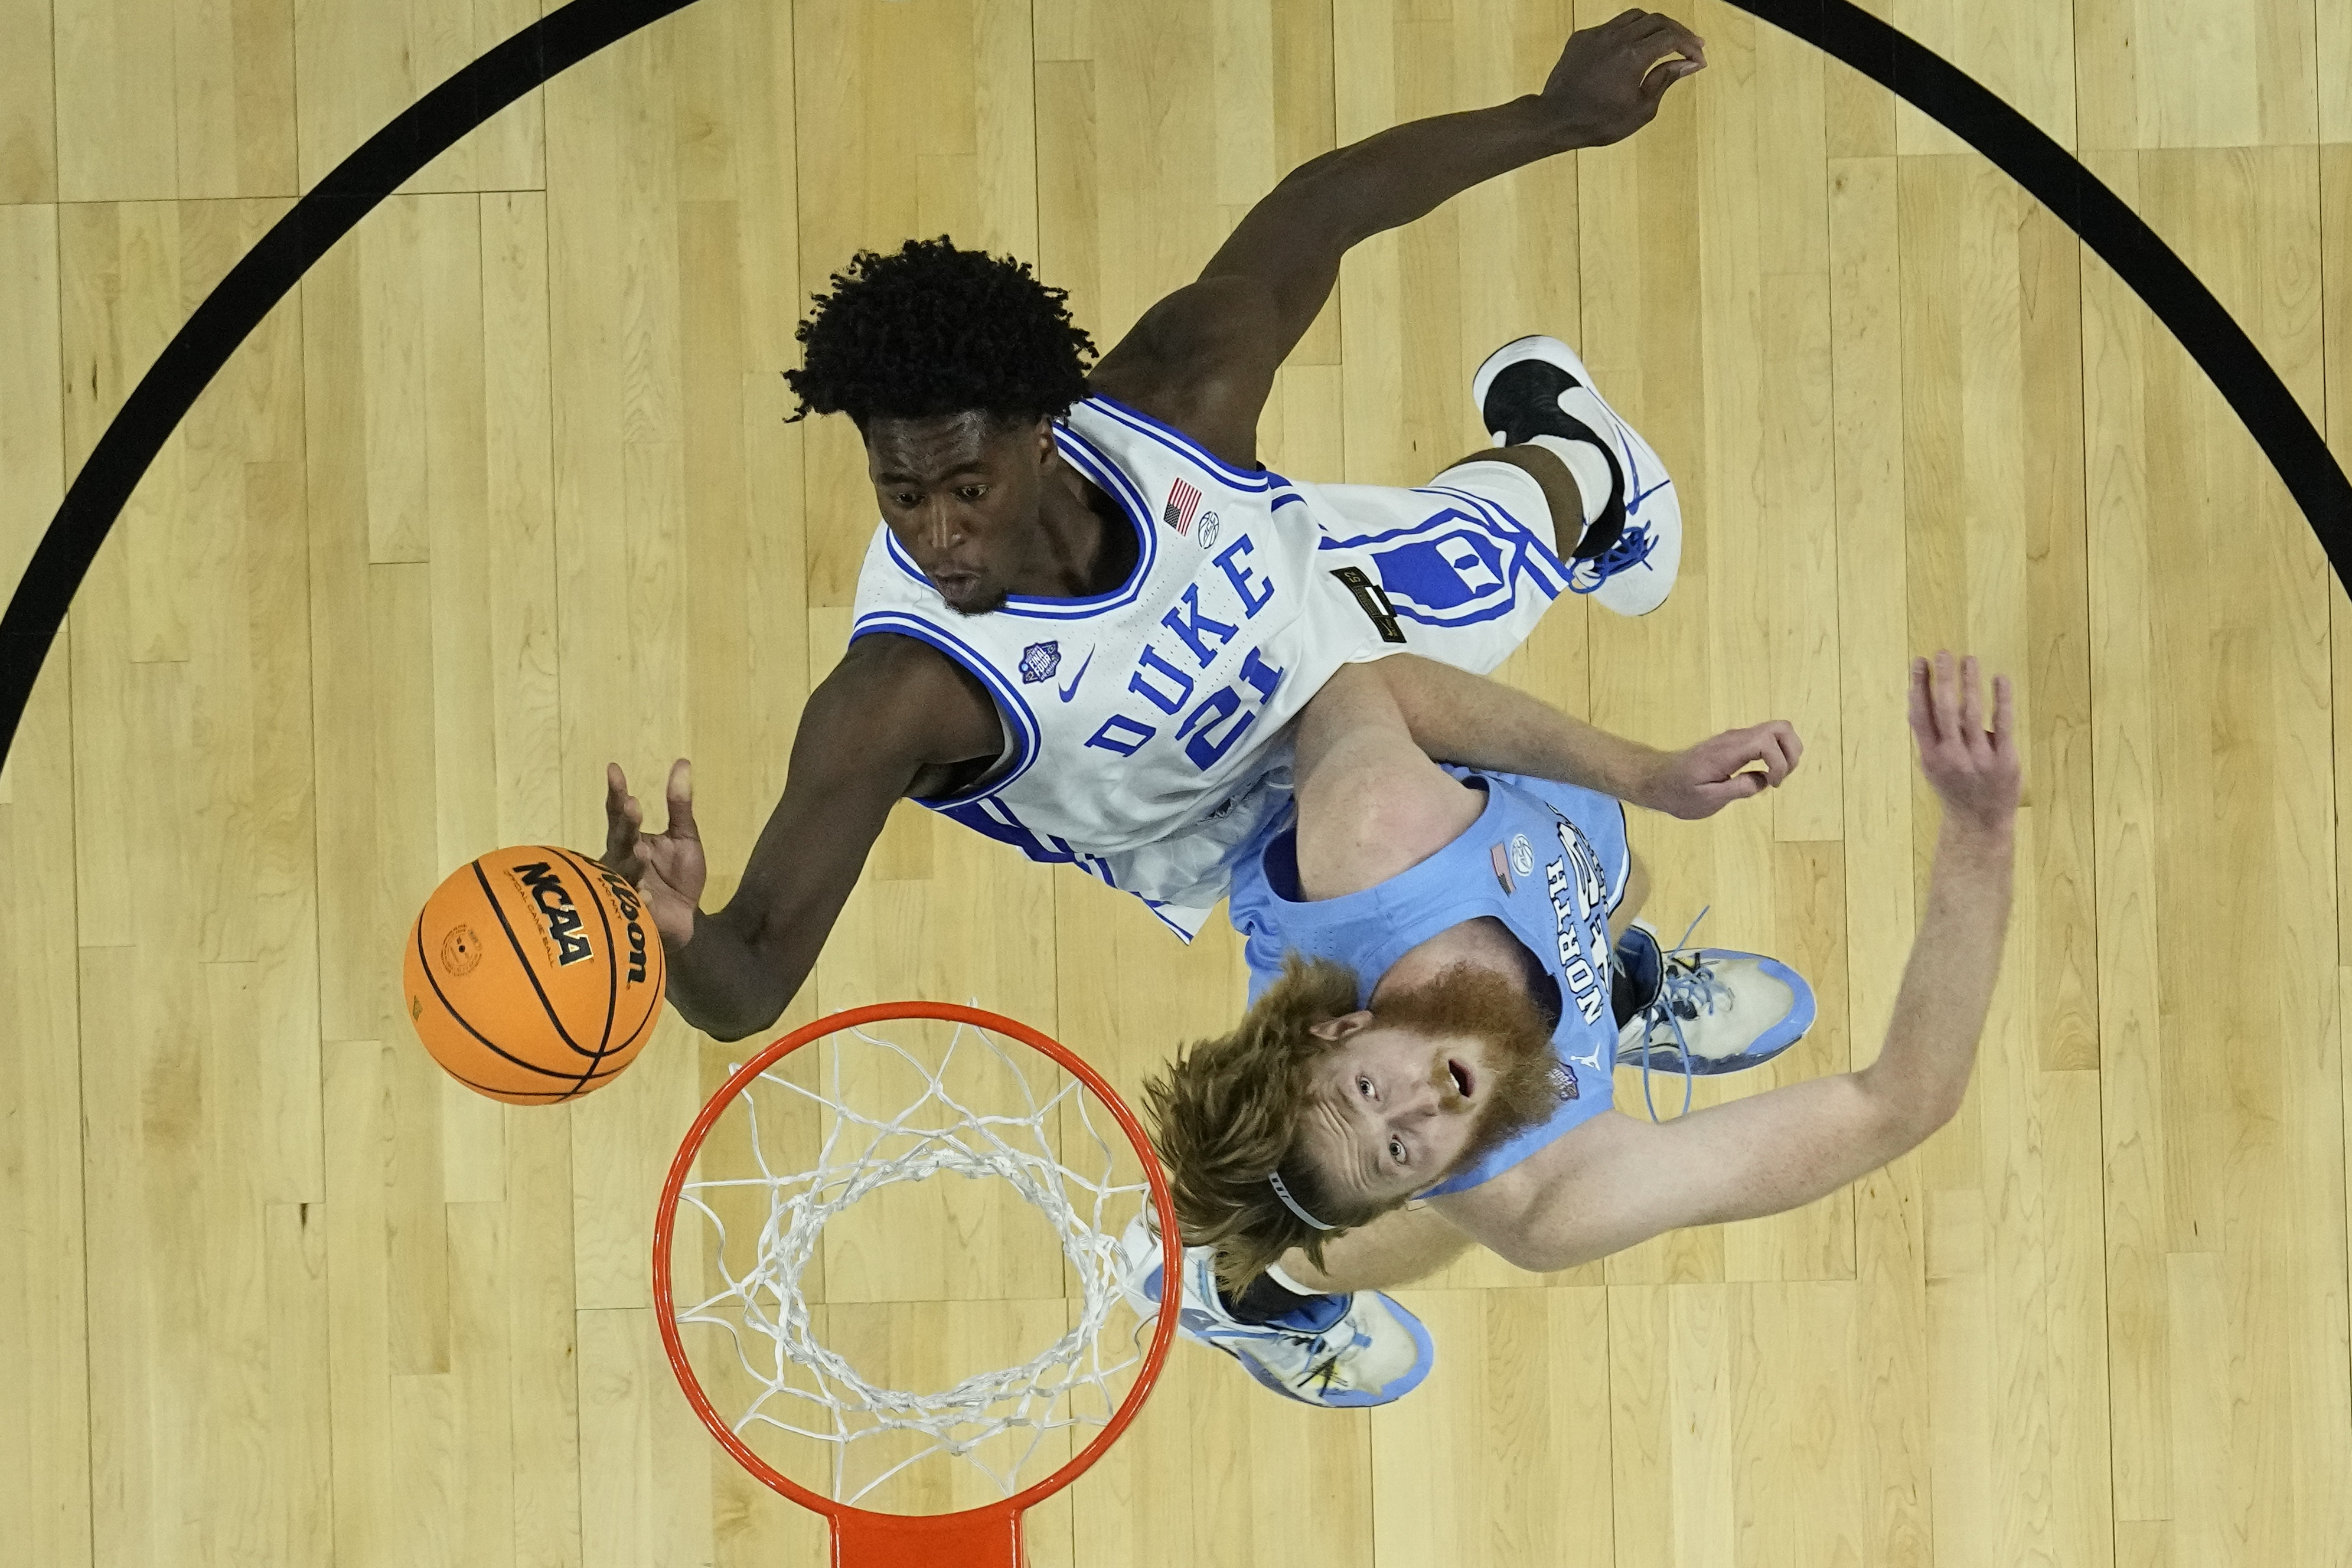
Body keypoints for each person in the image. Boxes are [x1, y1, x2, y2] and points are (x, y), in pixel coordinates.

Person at [599, 12, 1722, 1043]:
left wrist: (1555, 118)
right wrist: (674, 934)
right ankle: (1598, 986)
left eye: (967, 491)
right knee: (1443, 1007)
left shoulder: (1180, 398)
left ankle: (1584, 453)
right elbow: (746, 989)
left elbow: (1324, 208)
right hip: (1224, 834)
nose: (938, 535)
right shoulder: (899, 694)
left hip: (1337, 611)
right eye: (902, 496)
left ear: (1043, 434)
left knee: (1548, 507)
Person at [1134, 651, 2018, 1406]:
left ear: (1343, 1029)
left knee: (1623, 891)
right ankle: (1257, 1293)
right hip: (1540, 939)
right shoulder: (1541, 1199)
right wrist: (1979, 833)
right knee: (1434, 1218)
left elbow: (1373, 686)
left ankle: (1613, 998)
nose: (1418, 1105)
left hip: (1490, 843)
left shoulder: (1378, 831)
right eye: (1403, 1153)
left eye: (1368, 1089)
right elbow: (1898, 1104)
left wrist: (1644, 774)